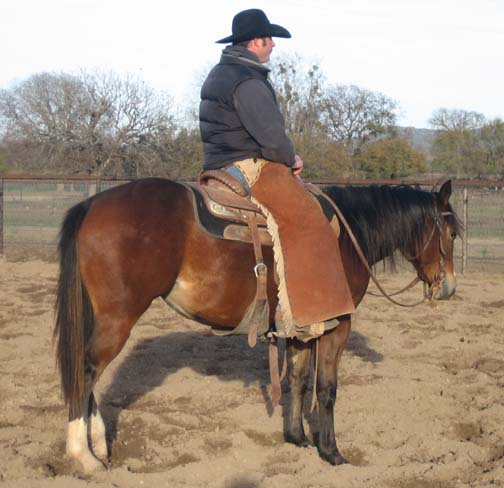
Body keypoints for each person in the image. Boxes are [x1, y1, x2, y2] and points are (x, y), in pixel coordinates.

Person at [199, 8, 354, 340]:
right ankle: (299, 313)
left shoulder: (221, 72)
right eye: (270, 40)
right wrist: (291, 157)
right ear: (256, 41)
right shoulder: (248, 80)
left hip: (219, 163)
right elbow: (270, 136)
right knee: (309, 220)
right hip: (249, 165)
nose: (273, 46)